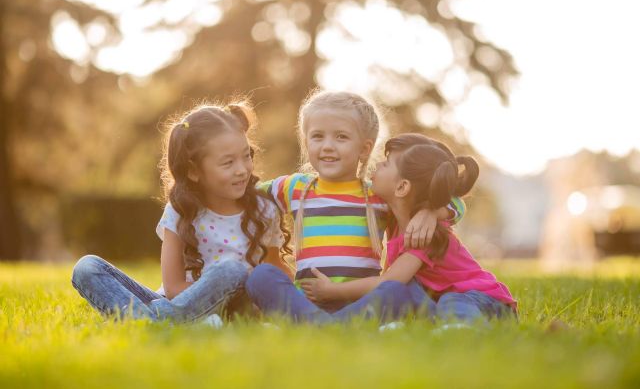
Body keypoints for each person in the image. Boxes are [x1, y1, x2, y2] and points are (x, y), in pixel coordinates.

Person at [246, 91, 464, 323]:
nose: (328, 146)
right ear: (306, 141)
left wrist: (430, 212)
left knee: (398, 291)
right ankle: (326, 323)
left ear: (364, 149)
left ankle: (319, 325)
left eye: (341, 137)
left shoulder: (378, 195)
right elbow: (245, 193)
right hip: (308, 301)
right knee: (261, 277)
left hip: (361, 302)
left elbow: (455, 203)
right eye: (317, 136)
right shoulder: (294, 187)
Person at [71, 101, 291, 322]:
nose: (242, 170)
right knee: (86, 267)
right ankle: (162, 321)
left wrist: (309, 300)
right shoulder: (180, 212)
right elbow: (173, 288)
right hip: (178, 302)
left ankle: (150, 321)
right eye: (228, 163)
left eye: (247, 156)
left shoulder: (263, 210)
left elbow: (274, 269)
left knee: (232, 271)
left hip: (233, 309)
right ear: (194, 171)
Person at [301, 133, 517, 324]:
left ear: (403, 186)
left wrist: (334, 291)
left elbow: (389, 282)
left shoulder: (425, 235)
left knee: (451, 301)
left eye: (386, 164)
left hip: (482, 299)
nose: (377, 165)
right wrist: (434, 211)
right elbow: (454, 201)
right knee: (407, 293)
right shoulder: (394, 215)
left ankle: (463, 329)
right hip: (438, 301)